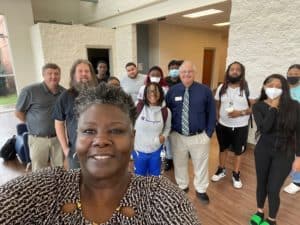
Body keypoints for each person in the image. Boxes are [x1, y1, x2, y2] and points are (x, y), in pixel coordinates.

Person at [0, 83, 201, 225]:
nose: (101, 140)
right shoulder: (46, 187)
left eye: (116, 130)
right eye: (88, 131)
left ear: (132, 138)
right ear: (76, 138)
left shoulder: (159, 197)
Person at [250, 74, 300, 225]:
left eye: (278, 87)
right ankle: (259, 211)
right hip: (263, 150)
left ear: (284, 89)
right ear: (264, 87)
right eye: (270, 85)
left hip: (285, 153)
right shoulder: (258, 106)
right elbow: (264, 129)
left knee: (273, 188)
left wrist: (299, 157)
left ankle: (272, 219)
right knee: (262, 184)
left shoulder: (294, 106)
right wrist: (272, 108)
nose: (274, 89)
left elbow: (299, 132)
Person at [166, 61, 216, 205]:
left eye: (189, 71)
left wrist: (208, 133)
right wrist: (168, 132)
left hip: (199, 136)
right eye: (183, 72)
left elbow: (212, 112)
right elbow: (167, 112)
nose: (186, 74)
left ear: (194, 73)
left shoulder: (204, 90)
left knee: (200, 164)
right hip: (177, 135)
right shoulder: (173, 91)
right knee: (179, 162)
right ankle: (182, 186)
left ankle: (201, 189)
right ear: (180, 75)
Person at [211, 61, 256, 189]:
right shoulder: (222, 88)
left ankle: (236, 174)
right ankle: (221, 170)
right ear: (228, 72)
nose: (234, 71)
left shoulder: (248, 87)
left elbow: (255, 107)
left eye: (238, 69)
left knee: (238, 151)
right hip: (223, 125)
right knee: (222, 149)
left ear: (242, 73)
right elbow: (217, 104)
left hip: (240, 126)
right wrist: (217, 119)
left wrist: (240, 113)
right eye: (232, 69)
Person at [15, 63, 65, 171]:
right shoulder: (30, 91)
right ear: (43, 75)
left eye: (56, 74)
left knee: (59, 169)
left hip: (58, 139)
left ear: (60, 75)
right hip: (38, 139)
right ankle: (40, 188)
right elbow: (18, 112)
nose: (53, 76)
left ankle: (57, 188)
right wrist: (32, 124)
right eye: (49, 73)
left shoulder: (64, 92)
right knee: (39, 171)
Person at [53, 59, 98, 169]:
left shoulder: (100, 94)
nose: (84, 74)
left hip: (98, 149)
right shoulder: (65, 96)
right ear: (73, 75)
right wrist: (65, 148)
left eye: (87, 71)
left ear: (92, 75)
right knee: (76, 183)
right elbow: (59, 123)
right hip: (75, 151)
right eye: (80, 71)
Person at [133, 82, 171, 176]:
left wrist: (163, 137)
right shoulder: (138, 107)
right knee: (140, 177)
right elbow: (129, 124)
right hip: (139, 151)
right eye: (149, 91)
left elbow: (167, 127)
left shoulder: (165, 111)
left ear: (161, 93)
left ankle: (153, 191)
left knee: (155, 177)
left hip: (156, 151)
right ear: (145, 93)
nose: (152, 94)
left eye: (155, 91)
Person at [284, 64, 300, 194]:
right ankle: (293, 174)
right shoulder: (284, 89)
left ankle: (297, 181)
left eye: (296, 74)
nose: (292, 76)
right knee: (289, 152)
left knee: (298, 154)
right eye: (290, 73)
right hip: (286, 127)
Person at [164, 59, 183, 171]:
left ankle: (179, 159)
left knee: (178, 138)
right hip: (166, 113)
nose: (174, 70)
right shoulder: (164, 81)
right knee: (167, 138)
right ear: (169, 70)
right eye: (172, 69)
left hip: (179, 113)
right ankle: (168, 159)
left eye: (176, 68)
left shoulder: (183, 81)